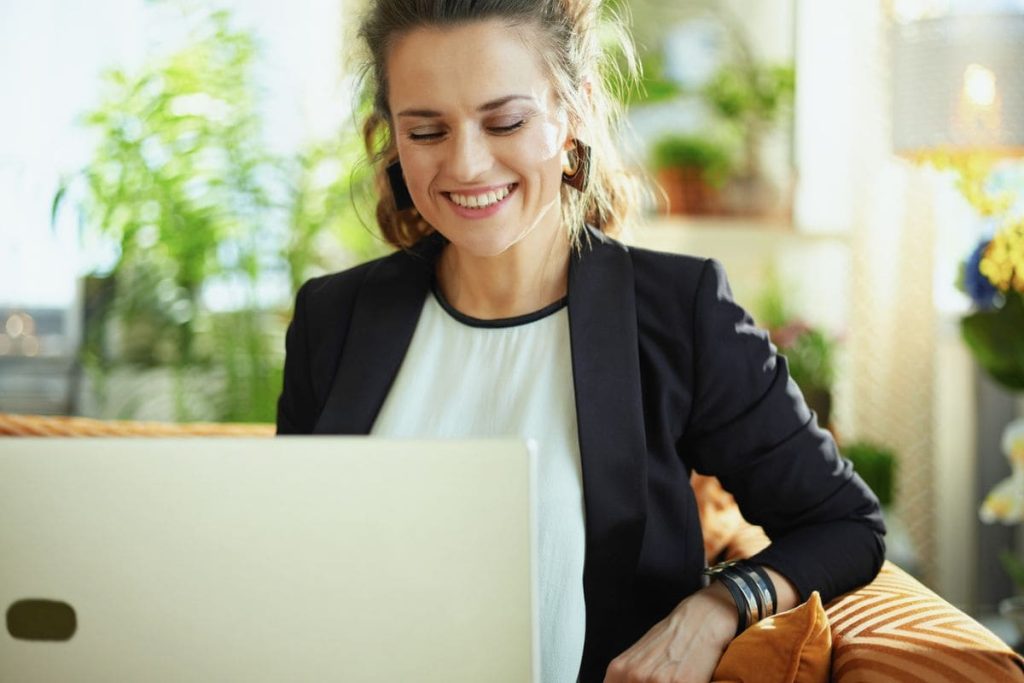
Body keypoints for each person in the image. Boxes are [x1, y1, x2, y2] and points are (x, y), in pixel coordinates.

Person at [276, 1, 886, 681]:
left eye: (505, 121)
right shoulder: (333, 319)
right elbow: (299, 559)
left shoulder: (677, 313)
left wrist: (719, 604)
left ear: (574, 113)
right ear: (391, 135)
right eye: (426, 131)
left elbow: (846, 525)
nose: (467, 164)